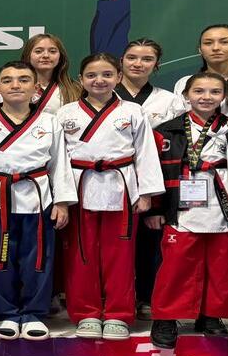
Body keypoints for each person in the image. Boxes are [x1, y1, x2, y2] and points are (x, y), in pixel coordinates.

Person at [0, 61, 75, 340]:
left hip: (37, 196)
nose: (15, 85)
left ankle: (34, 313)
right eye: (8, 80)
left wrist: (62, 202)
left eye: (23, 80)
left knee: (37, 258)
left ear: (35, 89)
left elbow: (59, 163)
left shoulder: (49, 121)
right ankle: (7, 314)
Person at [57, 53, 163, 340]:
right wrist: (62, 197)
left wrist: (146, 194)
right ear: (81, 79)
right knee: (81, 255)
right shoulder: (66, 113)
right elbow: (58, 159)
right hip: (79, 187)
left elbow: (146, 152)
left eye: (106, 74)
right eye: (91, 75)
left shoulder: (132, 111)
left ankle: (119, 313)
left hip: (122, 187)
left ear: (118, 77)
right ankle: (86, 313)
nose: (99, 80)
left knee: (121, 256)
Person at [147, 72, 228, 347]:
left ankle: (211, 315)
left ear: (223, 97)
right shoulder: (167, 130)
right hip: (181, 205)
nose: (206, 97)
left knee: (222, 266)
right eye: (199, 91)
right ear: (186, 95)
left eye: (214, 92)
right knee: (176, 266)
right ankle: (166, 318)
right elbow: (154, 173)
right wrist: (154, 209)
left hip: (224, 204)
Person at [117, 38, 186, 316]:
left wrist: (158, 202)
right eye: (132, 57)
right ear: (121, 61)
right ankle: (113, 298)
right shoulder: (103, 94)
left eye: (147, 59)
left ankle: (146, 296)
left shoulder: (169, 101)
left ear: (156, 65)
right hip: (112, 179)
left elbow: (174, 153)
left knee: (149, 243)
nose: (138, 63)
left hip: (154, 181)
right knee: (113, 245)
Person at [174, 24, 228, 114]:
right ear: (200, 49)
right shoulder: (184, 83)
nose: (216, 48)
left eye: (224, 42)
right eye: (208, 43)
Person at [20, 33, 82, 119]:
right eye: (38, 51)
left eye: (52, 51)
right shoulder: (14, 87)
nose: (46, 55)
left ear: (60, 57)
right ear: (28, 55)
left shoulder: (75, 89)